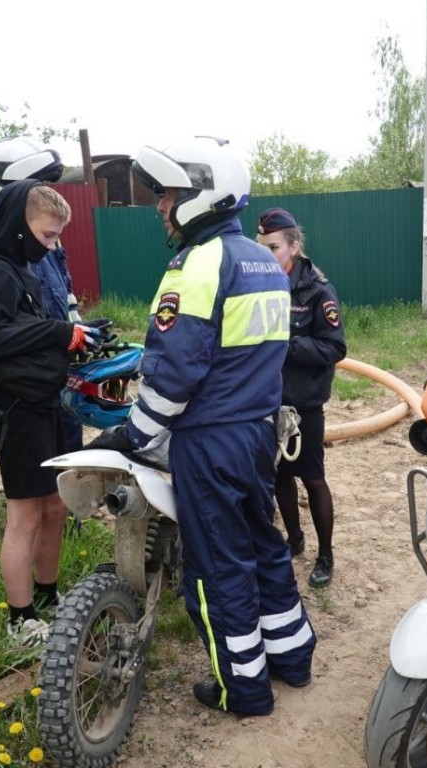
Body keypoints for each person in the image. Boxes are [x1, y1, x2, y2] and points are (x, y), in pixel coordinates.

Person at [90, 136, 316, 717]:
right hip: (257, 432)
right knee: (264, 546)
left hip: (210, 439)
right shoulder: (265, 260)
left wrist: (131, 436)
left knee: (218, 568)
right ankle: (293, 658)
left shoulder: (196, 265)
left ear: (200, 194)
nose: (161, 207)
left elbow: (173, 374)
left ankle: (243, 689)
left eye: (168, 195)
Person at [0, 179, 102, 647]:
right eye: (46, 236)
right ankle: (19, 620)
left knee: (55, 506)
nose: (52, 245)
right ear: (20, 225)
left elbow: (31, 328)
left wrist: (74, 331)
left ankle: (47, 596)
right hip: (17, 408)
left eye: (58, 237)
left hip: (46, 403)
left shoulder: (26, 269)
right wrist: (57, 333)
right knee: (25, 515)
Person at [0, 136, 84, 451]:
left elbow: (60, 291)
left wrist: (81, 328)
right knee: (39, 466)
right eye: (34, 183)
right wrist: (52, 334)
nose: (42, 192)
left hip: (55, 358)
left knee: (70, 445)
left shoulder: (44, 226)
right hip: (26, 377)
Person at [255, 208, 346, 588]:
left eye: (273, 247)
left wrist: (287, 346)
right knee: (279, 477)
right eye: (261, 247)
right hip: (267, 401)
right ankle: (294, 539)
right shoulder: (258, 284)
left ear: (294, 246)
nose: (266, 255)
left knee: (312, 478)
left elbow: (334, 347)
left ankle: (325, 555)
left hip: (303, 405)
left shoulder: (317, 289)